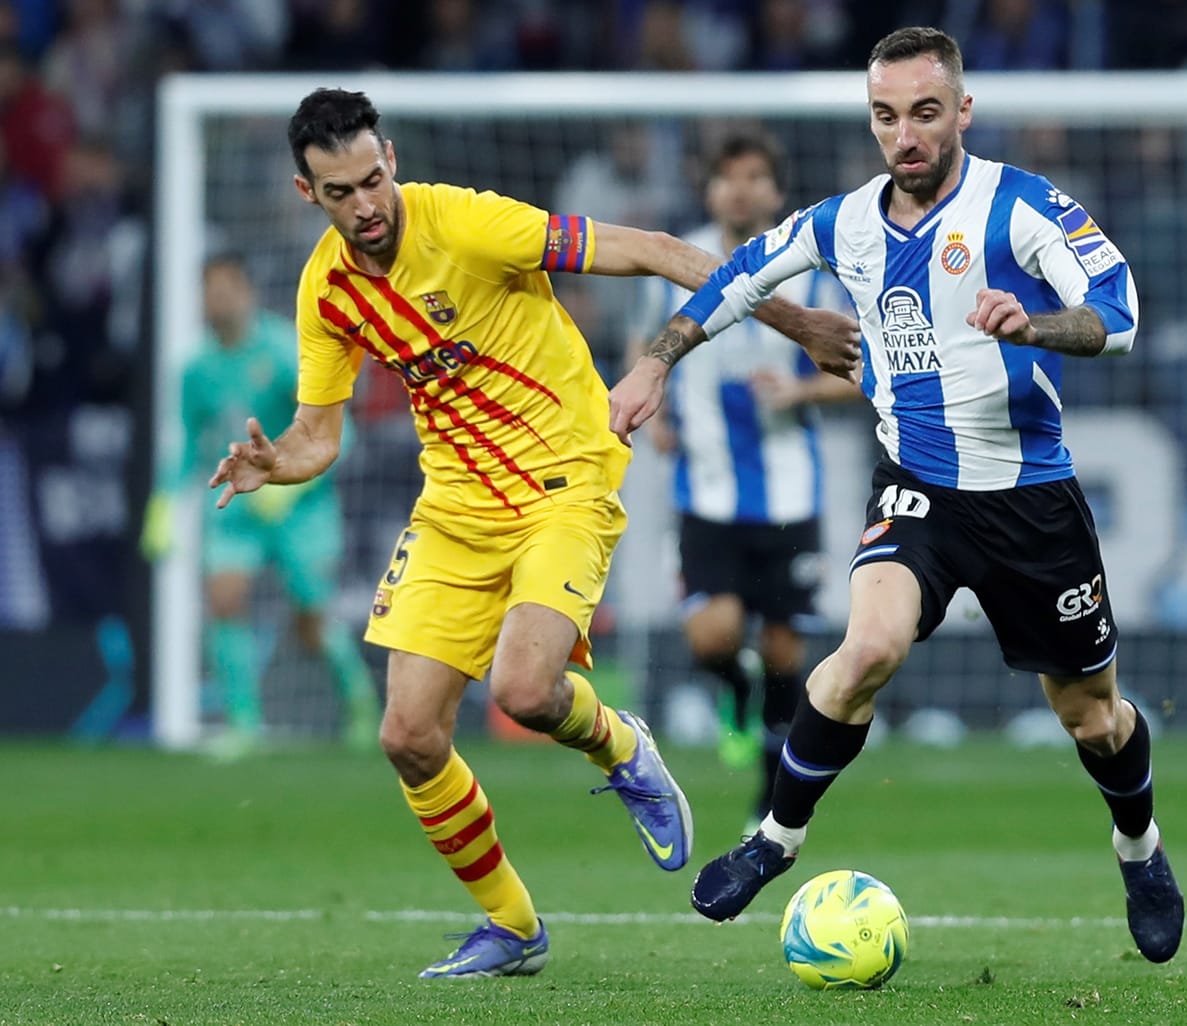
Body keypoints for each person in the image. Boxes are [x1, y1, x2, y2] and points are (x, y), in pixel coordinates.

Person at [207, 88, 859, 980]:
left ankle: (622, 745)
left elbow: (661, 251)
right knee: (407, 734)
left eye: (371, 180)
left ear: (390, 159)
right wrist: (273, 462)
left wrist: (800, 323)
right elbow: (319, 434)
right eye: (338, 192)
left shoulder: (473, 225)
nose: (363, 205)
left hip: (564, 478)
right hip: (454, 507)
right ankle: (512, 928)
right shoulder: (326, 290)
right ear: (305, 191)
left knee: (522, 688)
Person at [610, 27, 1185, 964]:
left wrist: (1035, 324)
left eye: (924, 112)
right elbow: (732, 279)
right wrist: (653, 365)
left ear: (962, 110)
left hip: (1029, 497)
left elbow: (1118, 312)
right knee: (865, 645)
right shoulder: (844, 223)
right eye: (886, 116)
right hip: (916, 484)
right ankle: (775, 838)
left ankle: (1140, 847)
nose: (905, 135)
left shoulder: (1021, 207)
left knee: (1092, 715)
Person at [628, 129, 857, 828]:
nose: (741, 188)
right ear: (709, 189)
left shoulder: (812, 269)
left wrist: (800, 393)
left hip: (790, 495)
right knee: (713, 638)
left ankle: (768, 790)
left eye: (756, 176)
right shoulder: (683, 259)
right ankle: (733, 695)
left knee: (786, 650)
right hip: (707, 491)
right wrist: (658, 406)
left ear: (776, 191)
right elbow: (650, 343)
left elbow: (863, 369)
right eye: (729, 176)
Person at [143, 253, 379, 757]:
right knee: (225, 599)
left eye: (228, 286)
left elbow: (340, 430)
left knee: (311, 621)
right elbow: (185, 442)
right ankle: (244, 723)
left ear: (248, 291)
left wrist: (298, 484)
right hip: (238, 509)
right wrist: (164, 504)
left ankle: (360, 705)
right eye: (210, 289)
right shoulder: (196, 370)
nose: (219, 298)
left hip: (300, 509)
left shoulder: (282, 350)